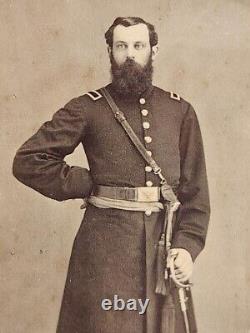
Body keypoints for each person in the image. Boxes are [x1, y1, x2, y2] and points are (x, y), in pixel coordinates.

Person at [13, 17, 210, 333]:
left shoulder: (180, 111)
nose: (130, 54)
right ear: (110, 51)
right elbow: (28, 160)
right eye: (121, 46)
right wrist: (83, 183)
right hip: (104, 256)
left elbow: (195, 193)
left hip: (164, 250)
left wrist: (187, 247)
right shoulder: (88, 108)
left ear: (153, 51)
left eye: (138, 45)